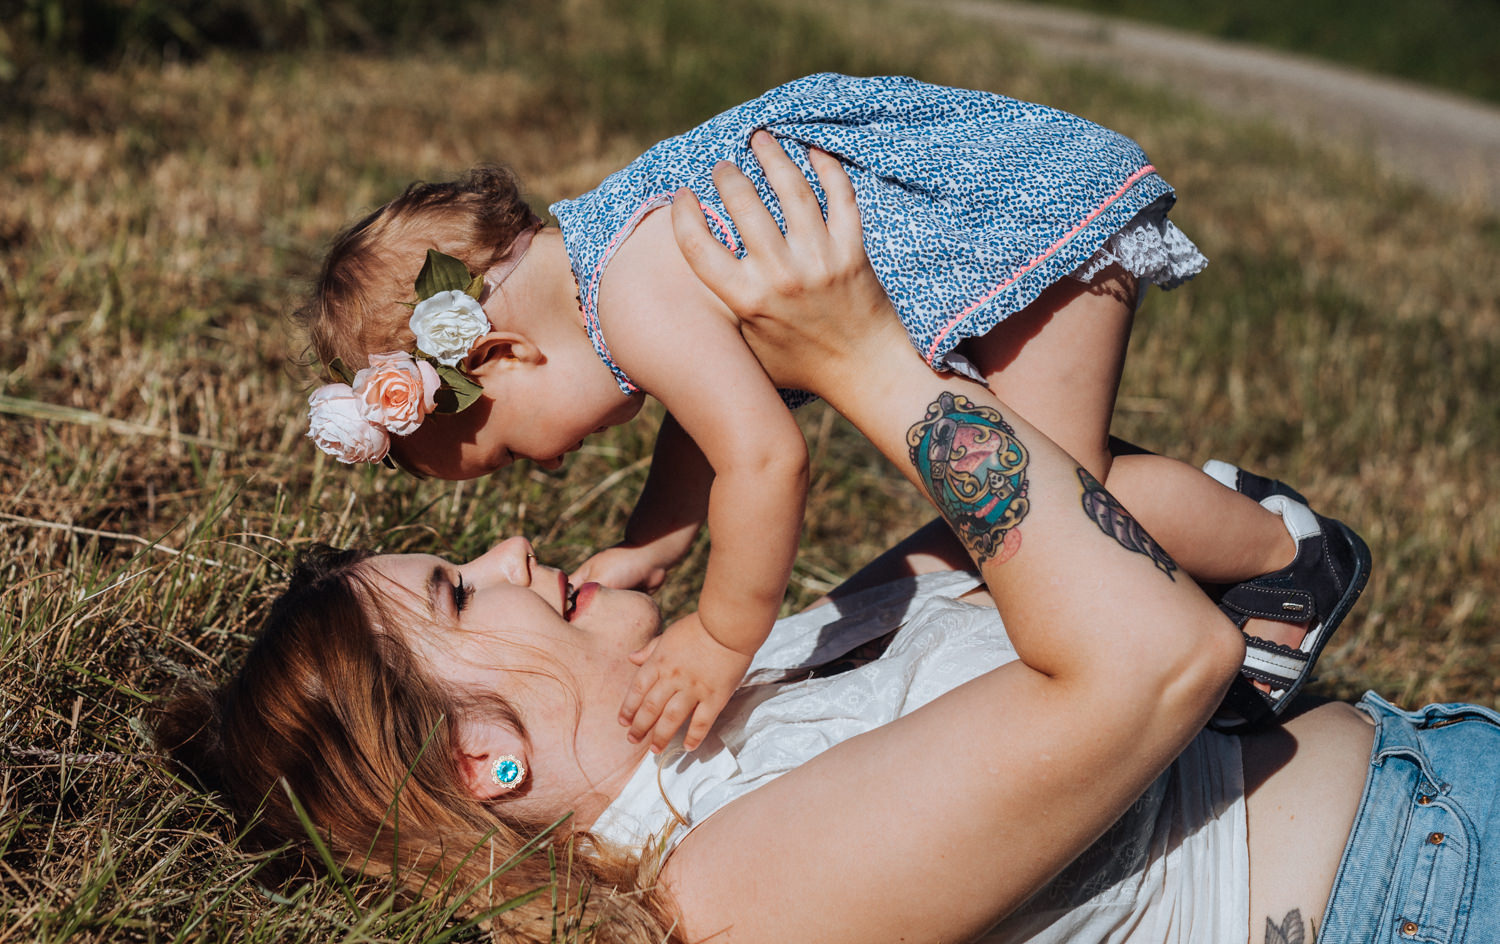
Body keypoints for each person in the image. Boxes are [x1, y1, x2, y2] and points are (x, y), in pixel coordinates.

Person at [160, 145, 1499, 944]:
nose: (514, 545)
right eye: (460, 589)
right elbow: (1151, 657)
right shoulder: (727, 906)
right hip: (1426, 927)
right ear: (479, 765)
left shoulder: (729, 698)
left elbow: (1035, 520)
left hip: (1438, 802)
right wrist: (863, 357)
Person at [295, 73, 1366, 752]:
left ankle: (1287, 553)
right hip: (990, 220)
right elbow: (704, 420)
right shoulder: (611, 275)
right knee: (1020, 492)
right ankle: (1238, 534)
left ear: (498, 356)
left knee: (1053, 496)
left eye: (515, 452)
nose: (549, 466)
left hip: (1018, 227)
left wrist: (720, 636)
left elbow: (764, 460)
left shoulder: (632, 289)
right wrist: (652, 551)